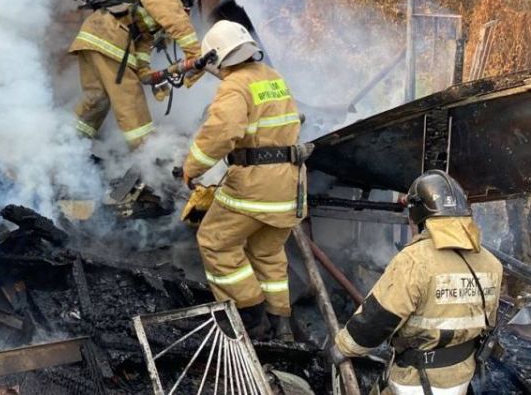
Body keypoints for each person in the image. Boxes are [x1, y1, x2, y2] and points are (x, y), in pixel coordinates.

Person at [177, 20, 303, 341]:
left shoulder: (235, 86)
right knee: (267, 253)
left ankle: (250, 317)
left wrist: (192, 167)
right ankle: (281, 324)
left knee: (215, 241)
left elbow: (221, 133)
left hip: (255, 186)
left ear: (218, 56)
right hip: (289, 186)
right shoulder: (273, 78)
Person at [335, 172, 503, 395]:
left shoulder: (414, 260)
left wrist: (342, 348)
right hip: (461, 377)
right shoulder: (492, 264)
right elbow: (487, 322)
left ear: (420, 216)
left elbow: (377, 320)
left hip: (416, 381)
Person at [69, 0, 216, 148]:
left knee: (96, 99)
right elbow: (176, 20)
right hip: (110, 38)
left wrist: (145, 71)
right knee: (130, 99)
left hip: (96, 36)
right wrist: (195, 54)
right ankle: (148, 154)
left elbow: (144, 39)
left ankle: (70, 145)